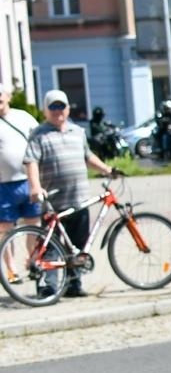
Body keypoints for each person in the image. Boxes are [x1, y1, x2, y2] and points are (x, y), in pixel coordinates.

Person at [22, 89, 117, 298]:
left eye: (61, 106)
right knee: (51, 246)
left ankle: (74, 284)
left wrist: (107, 170)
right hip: (54, 201)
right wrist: (35, 187)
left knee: (77, 244)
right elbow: (31, 162)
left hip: (78, 198)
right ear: (45, 110)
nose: (58, 111)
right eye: (53, 107)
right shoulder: (38, 134)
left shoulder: (77, 131)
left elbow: (87, 156)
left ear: (67, 108)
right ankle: (48, 286)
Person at [0, 96, 41, 287]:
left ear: (7, 97)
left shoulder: (23, 117)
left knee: (33, 225)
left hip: (28, 181)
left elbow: (38, 139)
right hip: (3, 185)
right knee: (5, 230)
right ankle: (11, 270)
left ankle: (33, 261)